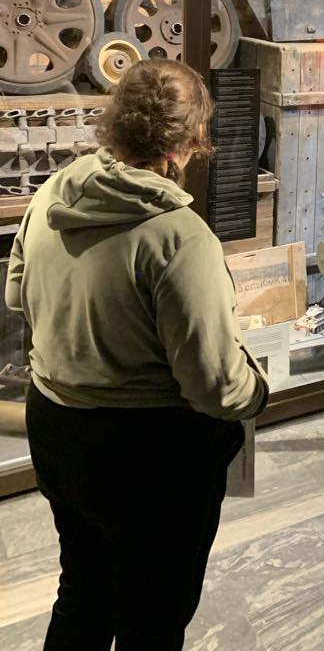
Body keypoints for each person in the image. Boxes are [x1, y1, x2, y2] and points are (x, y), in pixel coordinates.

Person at [6, 60, 269, 651]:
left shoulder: (55, 191)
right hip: (148, 454)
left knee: (83, 591)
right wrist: (257, 388)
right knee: (152, 618)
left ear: (115, 121)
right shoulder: (181, 238)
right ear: (192, 139)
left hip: (57, 428)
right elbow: (213, 386)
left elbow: (16, 293)